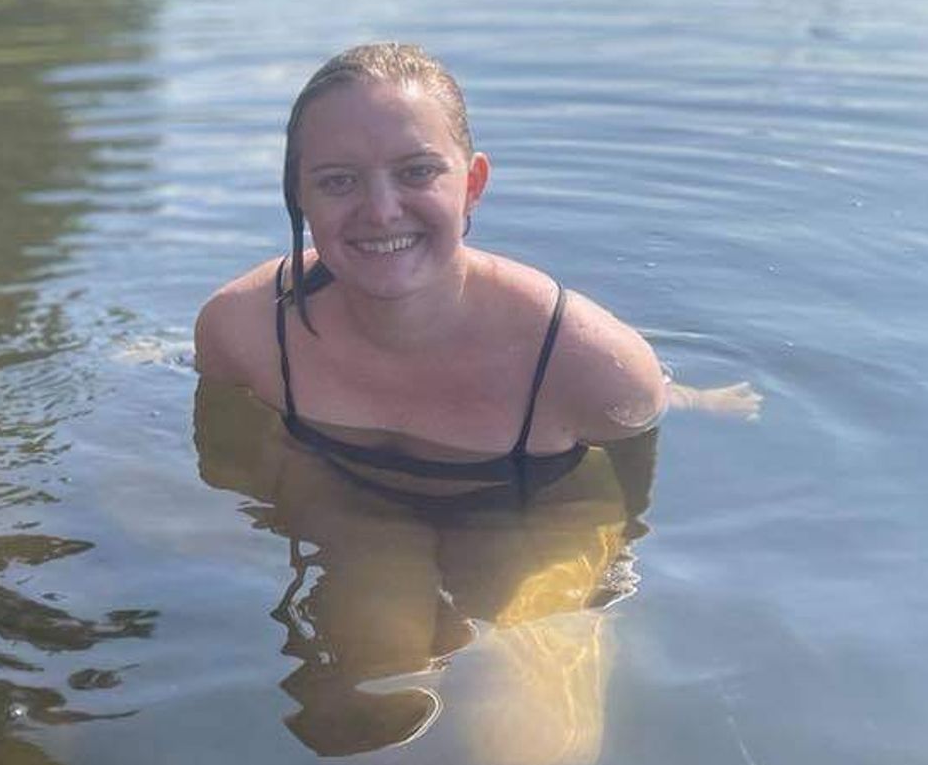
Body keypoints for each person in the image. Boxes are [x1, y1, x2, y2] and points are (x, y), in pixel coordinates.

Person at [194, 42, 753, 503]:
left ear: (473, 185)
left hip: (531, 516)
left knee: (541, 636)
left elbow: (628, 525)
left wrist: (679, 398)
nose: (382, 210)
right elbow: (234, 477)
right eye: (339, 181)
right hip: (351, 511)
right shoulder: (242, 333)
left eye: (417, 172)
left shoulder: (590, 367)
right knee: (371, 636)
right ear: (298, 197)